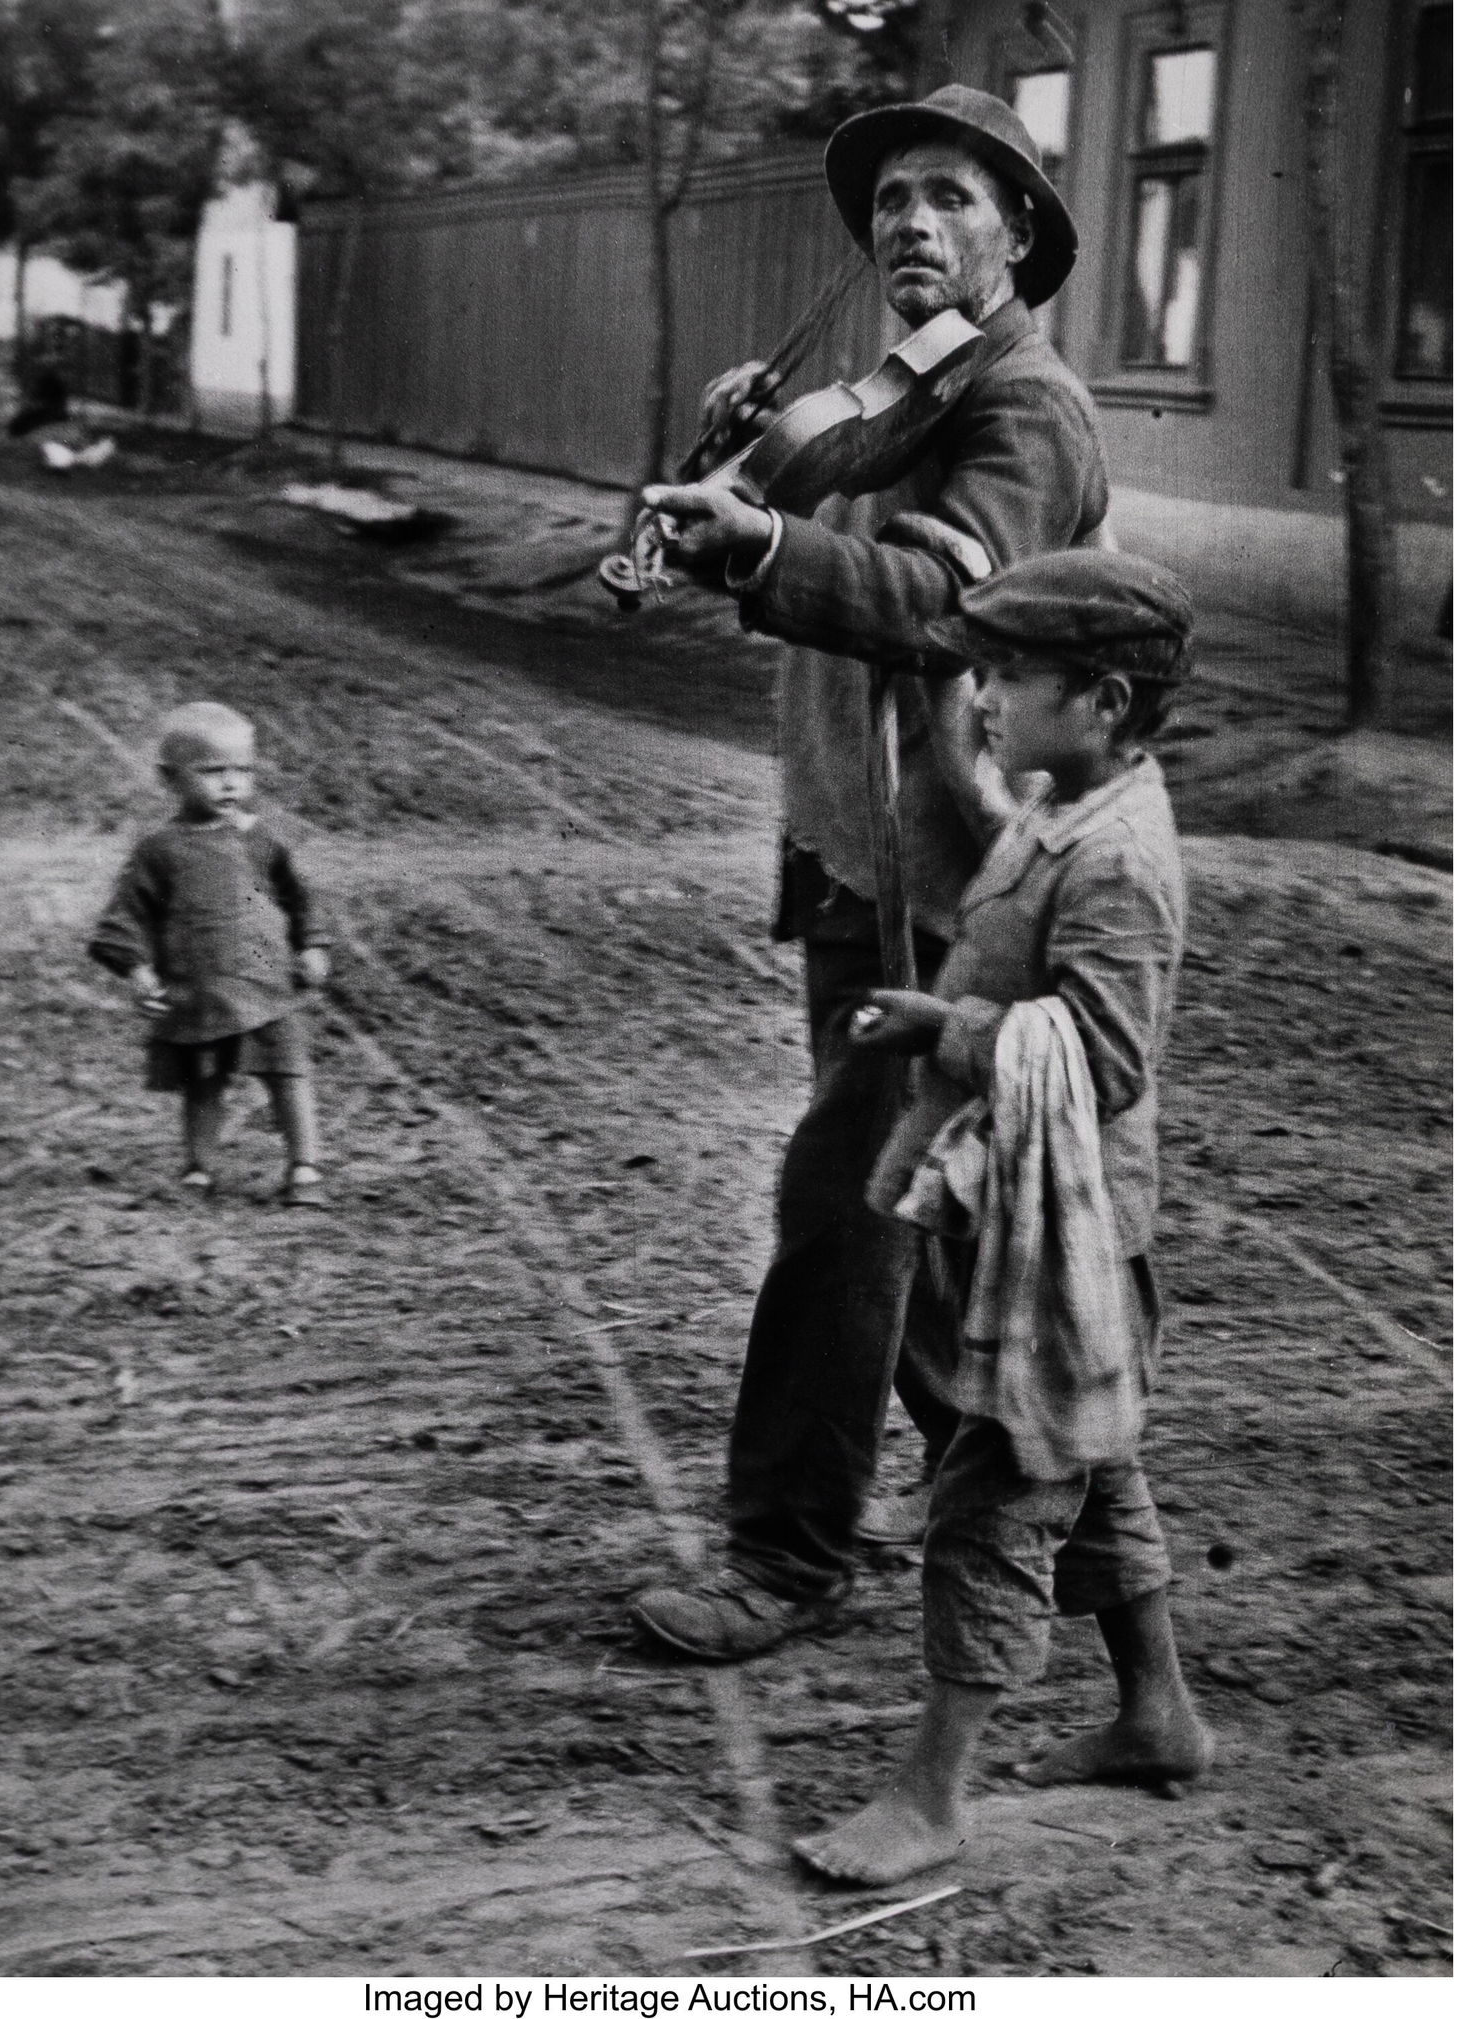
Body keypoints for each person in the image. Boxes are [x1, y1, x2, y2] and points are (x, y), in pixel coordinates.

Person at [629, 85, 1110, 1660]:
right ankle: (1055, 1528)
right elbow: (803, 538)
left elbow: (930, 601)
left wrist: (767, 542)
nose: (910, 221)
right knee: (930, 1226)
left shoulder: (1023, 410)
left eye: (950, 198)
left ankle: (786, 1554)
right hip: (859, 856)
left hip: (953, 890)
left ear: (1017, 233)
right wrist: (742, 465)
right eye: (893, 197)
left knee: (846, 1205)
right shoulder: (891, 400)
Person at [789, 547, 1212, 1885]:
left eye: (1012, 676)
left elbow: (1107, 1057)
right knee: (1091, 1459)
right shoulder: (1066, 803)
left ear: (1102, 701)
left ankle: (931, 1794)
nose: (984, 694)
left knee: (993, 1498)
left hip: (1073, 1228)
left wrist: (950, 1026)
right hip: (1021, 1200)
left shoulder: (1119, 860)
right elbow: (1003, 872)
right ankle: (1157, 1713)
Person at [88, 702, 331, 1204]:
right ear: (170, 778)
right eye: (213, 771)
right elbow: (127, 914)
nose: (231, 784)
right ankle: (199, 1167)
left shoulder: (262, 840)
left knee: (288, 1072)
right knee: (204, 1082)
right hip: (200, 988)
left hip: (267, 982)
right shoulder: (159, 850)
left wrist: (311, 944)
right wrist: (138, 970)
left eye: (242, 770)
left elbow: (299, 897)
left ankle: (305, 1167)